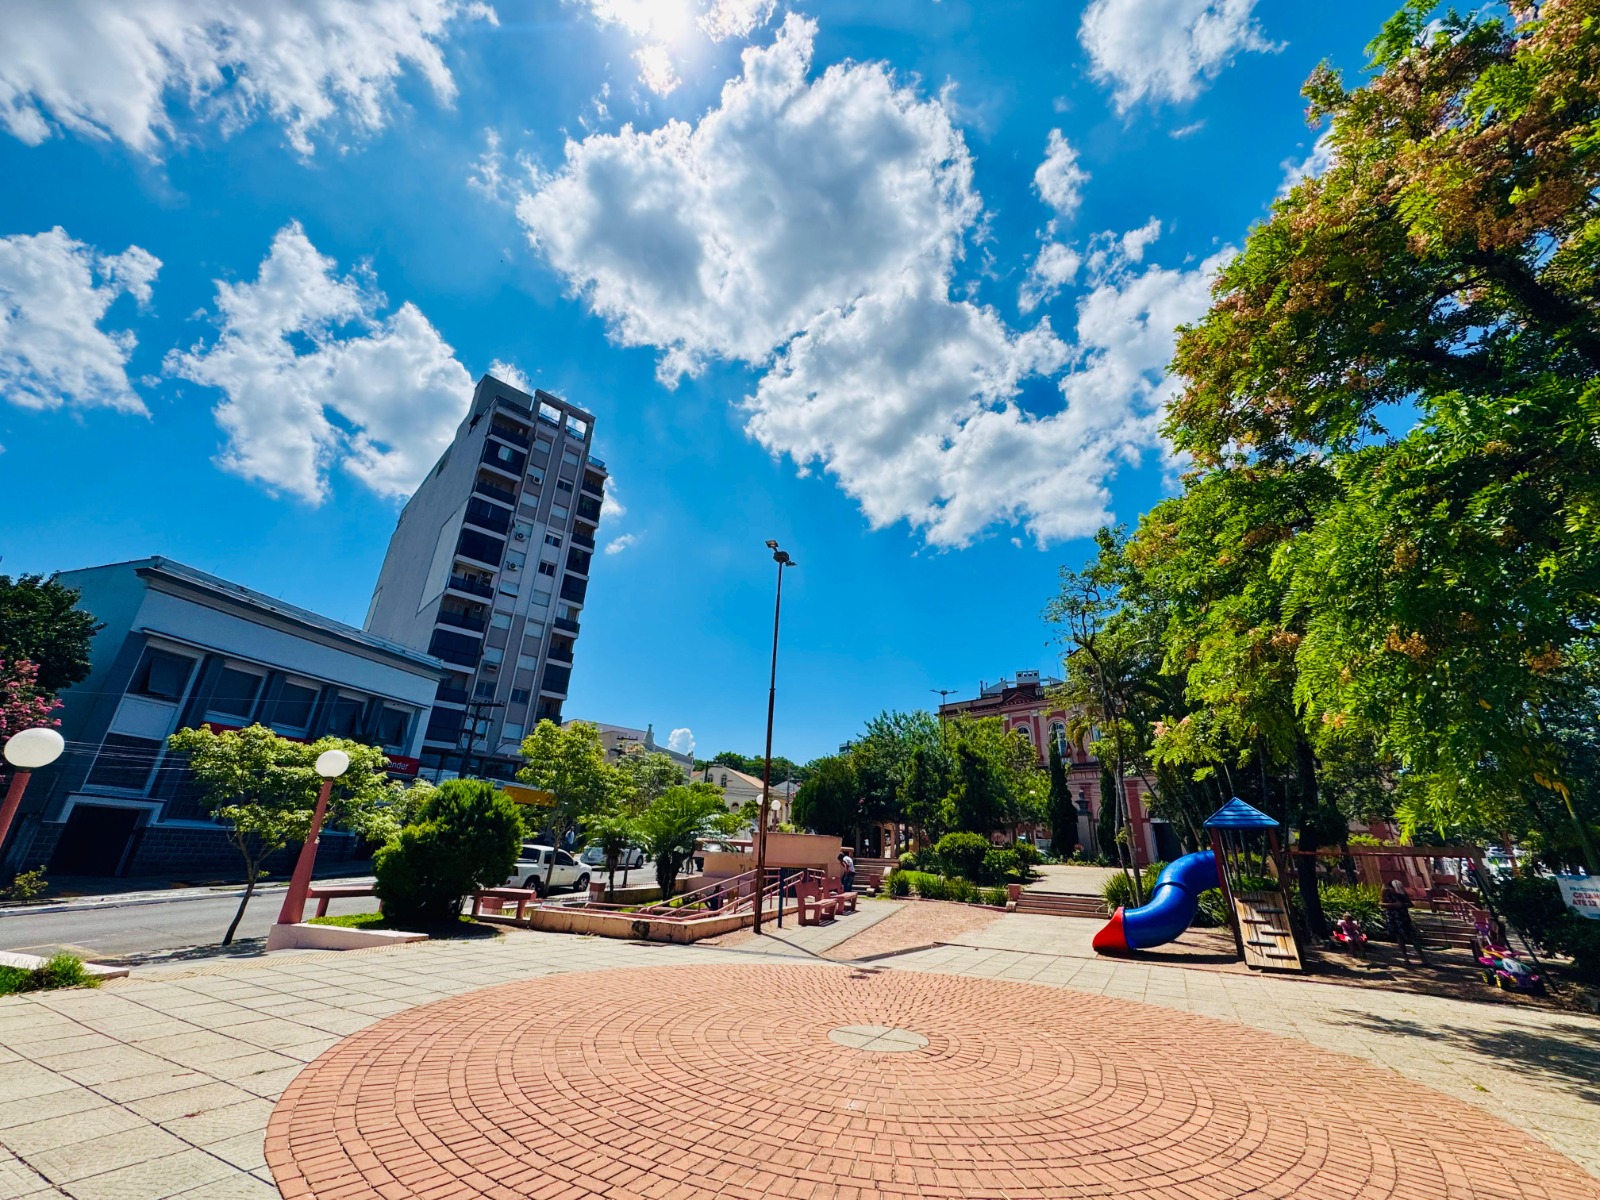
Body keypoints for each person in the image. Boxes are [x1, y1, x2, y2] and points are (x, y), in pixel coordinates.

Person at [1381, 878, 1427, 965]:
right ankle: (1406, 958)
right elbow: (1382, 904)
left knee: (1413, 937)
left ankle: (1423, 959)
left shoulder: (1402, 893)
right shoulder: (1386, 892)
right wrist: (1394, 905)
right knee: (1400, 937)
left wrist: (1404, 904)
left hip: (1404, 916)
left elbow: (1410, 904)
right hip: (1394, 917)